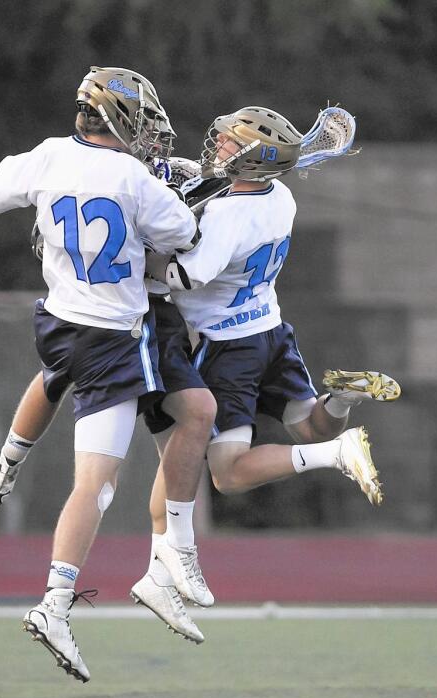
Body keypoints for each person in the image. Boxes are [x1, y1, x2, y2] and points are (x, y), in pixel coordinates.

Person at [0, 66, 200, 682]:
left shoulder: (44, 156)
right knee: (98, 484)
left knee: (53, 377)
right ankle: (58, 603)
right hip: (110, 340)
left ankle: (5, 468)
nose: (152, 131)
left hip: (58, 321)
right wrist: (172, 187)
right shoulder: (132, 177)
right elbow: (183, 236)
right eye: (144, 119)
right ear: (121, 119)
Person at [158, 106, 399, 516]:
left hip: (228, 347)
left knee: (228, 474)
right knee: (311, 425)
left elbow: (185, 276)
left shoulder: (226, 214)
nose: (218, 143)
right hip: (270, 331)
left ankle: (335, 454)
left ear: (252, 157)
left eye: (229, 140)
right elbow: (234, 207)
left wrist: (144, 253)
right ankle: (340, 399)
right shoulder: (281, 197)